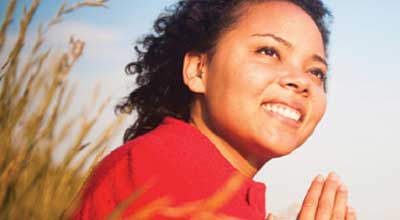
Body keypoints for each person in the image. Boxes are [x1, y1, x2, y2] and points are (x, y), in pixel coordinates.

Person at [72, 0, 357, 219]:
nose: (301, 81)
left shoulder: (214, 185)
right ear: (198, 70)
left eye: (316, 72)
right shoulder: (156, 168)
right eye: (268, 52)